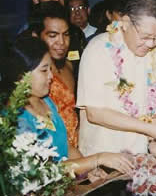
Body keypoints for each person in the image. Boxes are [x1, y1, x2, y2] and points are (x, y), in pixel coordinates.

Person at [76, 0, 156, 196]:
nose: (151, 44)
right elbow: (95, 112)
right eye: (146, 36)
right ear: (125, 22)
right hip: (101, 165)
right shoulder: (98, 50)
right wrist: (149, 130)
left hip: (140, 164)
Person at [5, 36, 134, 179]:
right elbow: (44, 170)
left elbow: (67, 147)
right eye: (44, 70)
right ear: (21, 76)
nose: (51, 76)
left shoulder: (47, 102)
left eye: (50, 69)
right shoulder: (14, 120)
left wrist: (87, 169)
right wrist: (98, 159)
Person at [24, 1, 79, 148]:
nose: (61, 42)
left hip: (76, 152)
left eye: (66, 34)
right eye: (53, 35)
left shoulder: (68, 65)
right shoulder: (30, 77)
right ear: (36, 36)